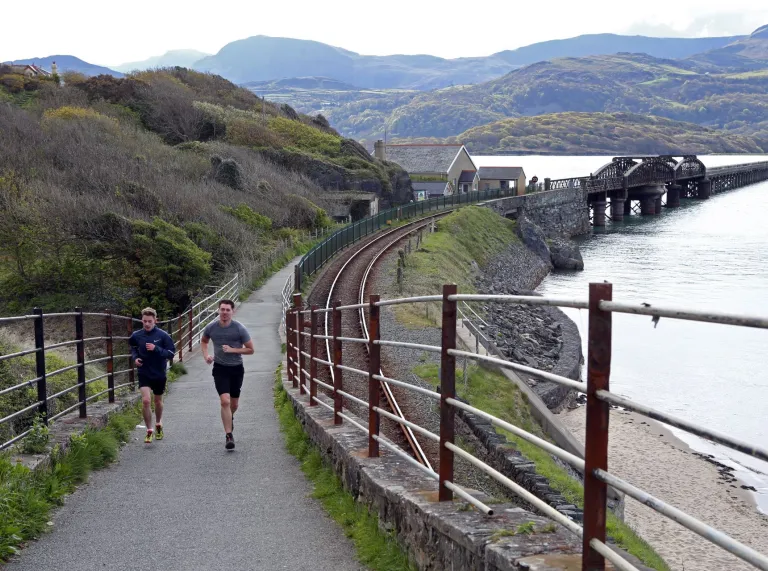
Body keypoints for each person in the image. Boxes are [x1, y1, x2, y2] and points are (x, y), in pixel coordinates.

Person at [201, 299, 254, 450]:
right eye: (222, 310)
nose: (224, 313)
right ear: (218, 311)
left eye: (227, 310)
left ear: (233, 312)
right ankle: (229, 435)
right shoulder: (211, 327)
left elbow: (251, 349)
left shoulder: (239, 329)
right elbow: (204, 342)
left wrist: (233, 350)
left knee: (234, 404)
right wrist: (206, 356)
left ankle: (229, 418)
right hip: (220, 368)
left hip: (236, 368)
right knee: (225, 401)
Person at [129, 308, 176, 444]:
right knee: (146, 401)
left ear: (156, 320)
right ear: (141, 320)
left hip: (159, 372)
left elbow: (171, 353)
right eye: (144, 321)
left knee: (157, 401)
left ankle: (158, 423)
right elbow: (133, 347)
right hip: (144, 371)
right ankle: (149, 430)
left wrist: (156, 349)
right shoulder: (136, 335)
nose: (147, 324)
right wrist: (135, 358)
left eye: (150, 321)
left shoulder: (163, 335)